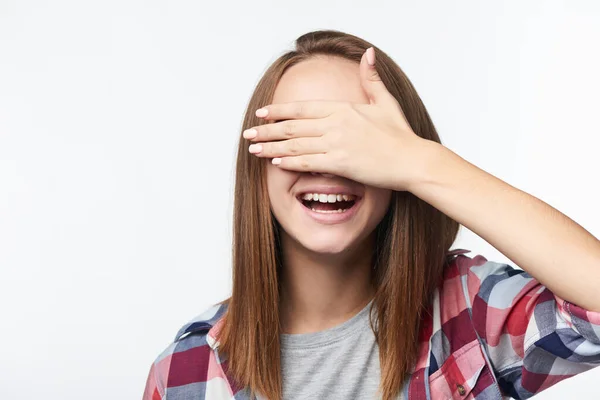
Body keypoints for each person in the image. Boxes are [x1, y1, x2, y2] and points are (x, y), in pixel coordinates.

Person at [142, 30, 600, 400]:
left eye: (355, 143)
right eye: (295, 138)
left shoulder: (468, 309)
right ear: (256, 168)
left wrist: (422, 163)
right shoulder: (186, 370)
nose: (328, 163)